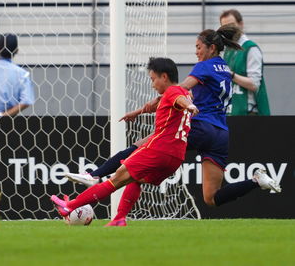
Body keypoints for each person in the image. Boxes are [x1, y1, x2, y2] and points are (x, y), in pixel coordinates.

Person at [64, 25, 281, 226]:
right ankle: (256, 180)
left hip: (200, 126)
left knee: (143, 146)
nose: (196, 52)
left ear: (211, 47)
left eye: (198, 47)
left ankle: (95, 175)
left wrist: (143, 109)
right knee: (212, 197)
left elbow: (179, 89)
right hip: (221, 133)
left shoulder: (204, 66)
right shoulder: (225, 68)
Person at [51, 57, 199, 225]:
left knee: (116, 179)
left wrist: (189, 106)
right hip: (176, 157)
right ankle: (120, 218)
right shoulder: (184, 92)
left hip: (159, 149)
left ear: (164, 77)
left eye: (153, 79)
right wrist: (137, 112)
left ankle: (70, 206)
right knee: (136, 178)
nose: (152, 85)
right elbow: (170, 103)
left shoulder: (174, 92)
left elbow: (181, 101)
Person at [220, 9, 270, 115]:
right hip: (231, 110)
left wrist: (232, 75)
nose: (229, 29)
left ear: (241, 24)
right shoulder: (227, 50)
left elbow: (254, 84)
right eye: (225, 27)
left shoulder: (251, 48)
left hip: (248, 112)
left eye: (232, 25)